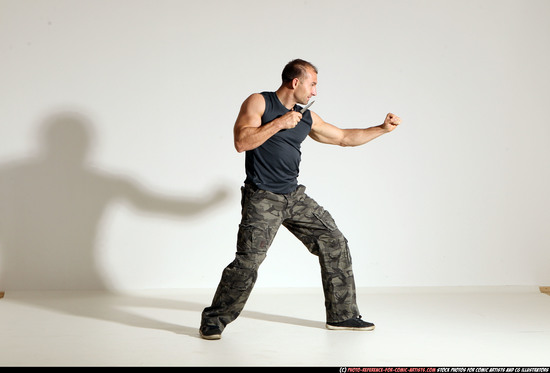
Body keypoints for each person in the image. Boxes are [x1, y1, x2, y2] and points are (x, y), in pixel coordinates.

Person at [200, 59, 401, 340]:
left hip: (293, 196)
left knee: (335, 241)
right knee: (248, 262)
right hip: (262, 196)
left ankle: (342, 316)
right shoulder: (260, 102)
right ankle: (214, 319)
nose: (315, 92)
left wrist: (381, 128)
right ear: (296, 82)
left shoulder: (306, 116)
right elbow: (242, 142)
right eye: (313, 84)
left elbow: (343, 137)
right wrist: (280, 123)